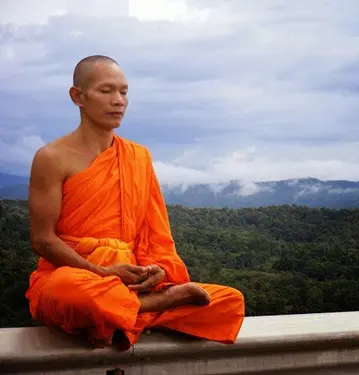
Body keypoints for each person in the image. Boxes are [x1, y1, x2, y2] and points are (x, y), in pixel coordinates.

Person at [25, 55, 245, 351]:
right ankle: (150, 307)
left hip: (130, 278)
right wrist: (101, 272)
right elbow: (42, 240)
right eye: (106, 91)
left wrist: (156, 271)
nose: (118, 101)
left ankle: (126, 310)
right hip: (78, 276)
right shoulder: (52, 158)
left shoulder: (138, 157)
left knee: (230, 300)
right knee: (70, 292)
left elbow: (153, 234)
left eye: (124, 92)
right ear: (77, 96)